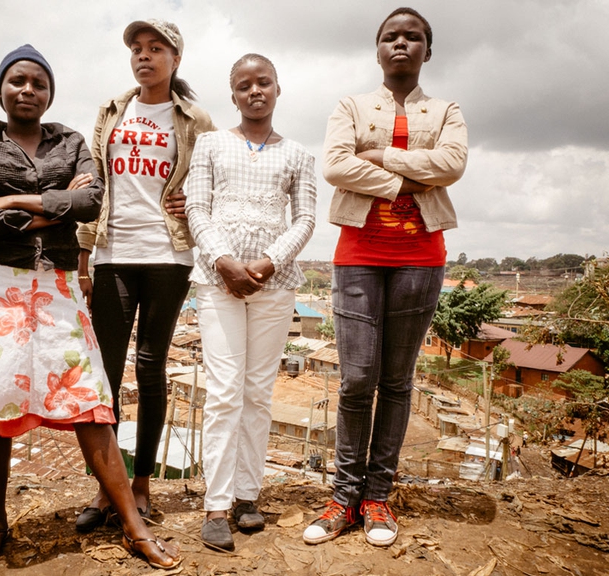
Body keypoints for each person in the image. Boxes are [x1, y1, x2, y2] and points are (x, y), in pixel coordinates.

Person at [0, 44, 180, 570]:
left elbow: (91, 202)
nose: (28, 90)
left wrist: (10, 202)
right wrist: (51, 210)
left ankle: (132, 524)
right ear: (1, 90)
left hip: (57, 287)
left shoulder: (73, 141)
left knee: (88, 400)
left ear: (50, 92)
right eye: (18, 81)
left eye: (38, 82)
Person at [302, 7, 468, 548]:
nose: (401, 43)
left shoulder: (446, 110)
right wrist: (405, 181)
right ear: (377, 49)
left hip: (421, 257)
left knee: (396, 382)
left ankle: (378, 496)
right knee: (355, 379)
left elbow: (452, 164)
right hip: (358, 253)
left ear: (427, 49)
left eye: (413, 37)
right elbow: (334, 165)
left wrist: (380, 155)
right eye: (391, 36)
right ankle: (343, 497)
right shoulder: (352, 106)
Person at [75, 20, 215, 531]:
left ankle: (141, 484)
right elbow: (92, 185)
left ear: (175, 59)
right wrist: (84, 258)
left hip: (168, 255)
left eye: (156, 49)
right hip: (115, 251)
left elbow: (214, 178)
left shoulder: (194, 117)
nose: (144, 56)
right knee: (106, 374)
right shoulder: (112, 111)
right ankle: (107, 487)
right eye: (137, 48)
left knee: (152, 368)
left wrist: (193, 201)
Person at [186, 53, 316, 551]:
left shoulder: (298, 155)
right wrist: (224, 261)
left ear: (278, 89)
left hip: (274, 286)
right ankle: (216, 505)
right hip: (217, 281)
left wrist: (265, 264)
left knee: (258, 392)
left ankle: (246, 496)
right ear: (233, 93)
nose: (255, 91)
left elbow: (304, 219)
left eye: (264, 83)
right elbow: (198, 207)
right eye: (245, 85)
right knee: (223, 392)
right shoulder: (211, 144)